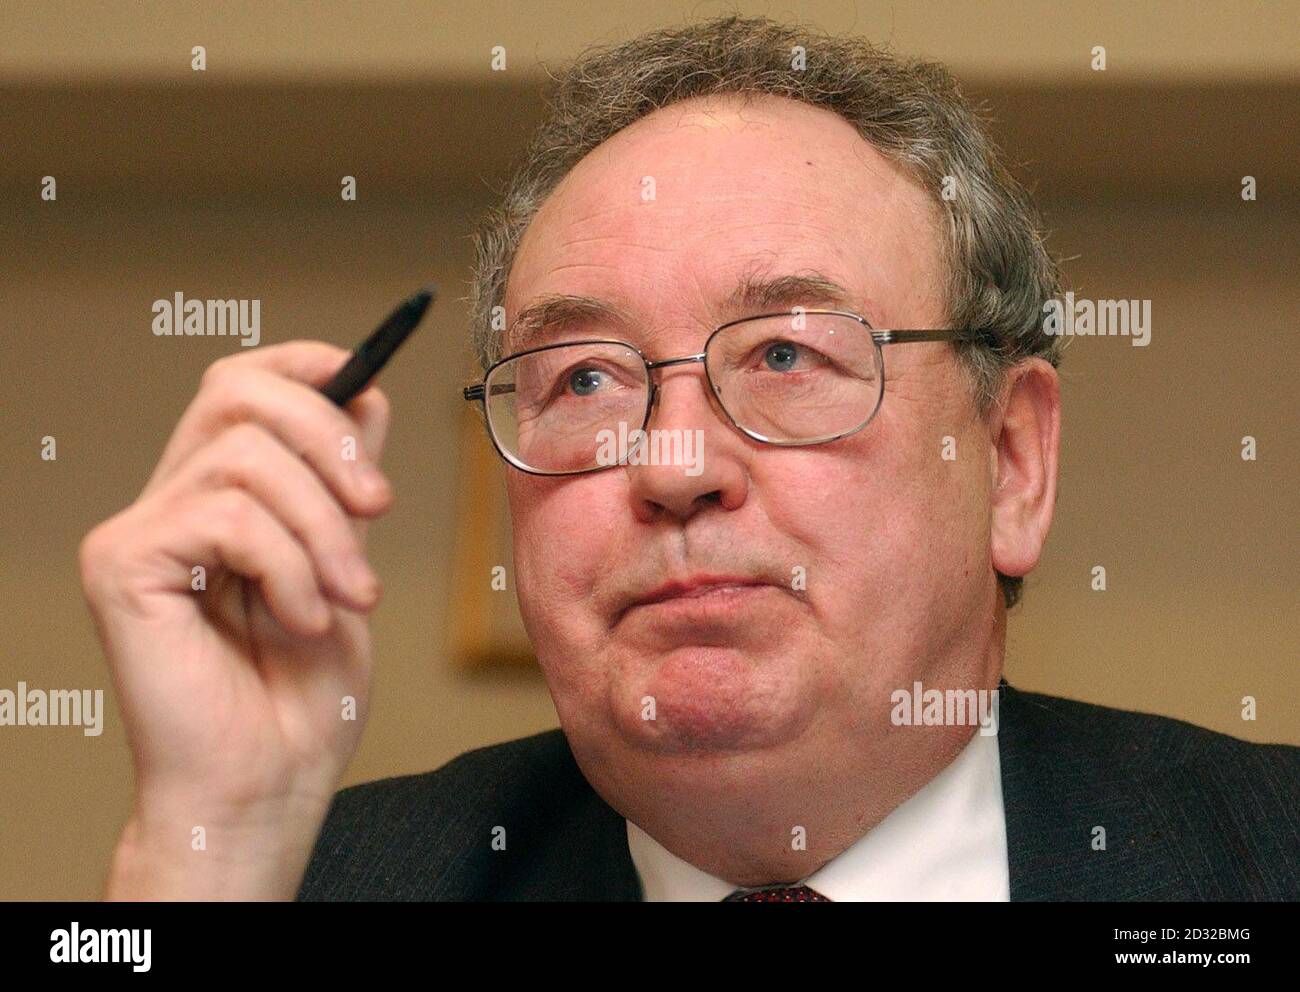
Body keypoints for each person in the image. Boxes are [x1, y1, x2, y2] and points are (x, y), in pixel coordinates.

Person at [81, 15, 1298, 901]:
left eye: (781, 354)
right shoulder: (321, 883)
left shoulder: (1261, 853)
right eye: (588, 379)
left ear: (1013, 461)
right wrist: (208, 839)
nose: (670, 462)